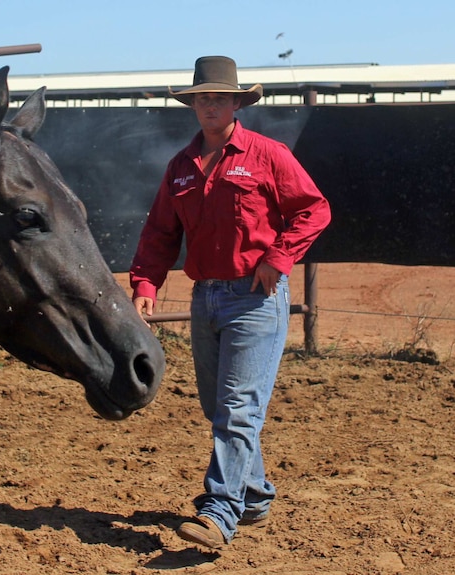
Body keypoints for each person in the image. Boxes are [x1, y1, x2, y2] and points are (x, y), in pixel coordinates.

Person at [129, 56, 331, 549]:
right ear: (193, 104)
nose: (209, 104)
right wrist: (145, 287)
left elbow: (313, 208)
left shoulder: (267, 154)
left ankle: (220, 509)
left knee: (237, 406)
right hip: (207, 299)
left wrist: (278, 259)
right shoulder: (181, 167)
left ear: (238, 103)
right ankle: (255, 494)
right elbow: (160, 233)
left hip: (255, 299)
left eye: (218, 96)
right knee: (219, 405)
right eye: (201, 97)